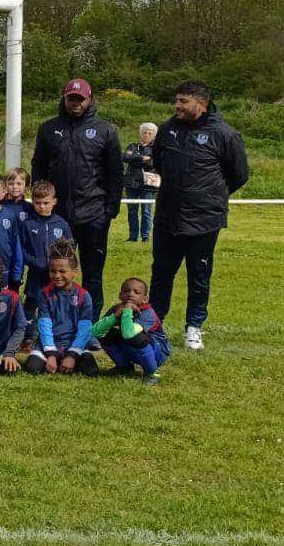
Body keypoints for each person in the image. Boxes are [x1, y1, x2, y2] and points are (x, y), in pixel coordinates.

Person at [148, 80, 248, 350]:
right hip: (168, 217)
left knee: (199, 274)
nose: (176, 105)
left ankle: (194, 327)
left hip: (204, 220)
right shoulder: (168, 129)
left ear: (200, 105)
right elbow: (159, 163)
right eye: (176, 100)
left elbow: (239, 175)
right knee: (161, 273)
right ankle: (154, 324)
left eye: (183, 101)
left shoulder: (224, 134)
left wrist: (209, 195)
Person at [30, 78, 122, 315]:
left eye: (80, 99)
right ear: (64, 98)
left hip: (93, 215)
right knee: (54, 270)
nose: (76, 103)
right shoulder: (48, 129)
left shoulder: (105, 130)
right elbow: (38, 166)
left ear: (90, 99)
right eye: (71, 98)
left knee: (92, 273)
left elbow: (115, 172)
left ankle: (89, 325)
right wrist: (43, 204)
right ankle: (53, 320)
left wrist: (109, 210)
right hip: (58, 216)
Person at [27, 242, 97, 377]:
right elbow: (44, 325)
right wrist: (51, 354)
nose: (57, 275)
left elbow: (85, 329)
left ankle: (68, 360)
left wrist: (72, 355)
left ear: (74, 273)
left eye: (62, 271)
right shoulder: (44, 294)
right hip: (51, 342)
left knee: (91, 371)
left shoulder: (84, 296)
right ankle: (56, 360)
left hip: (73, 342)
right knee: (32, 367)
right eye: (52, 271)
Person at [93, 276, 170, 384]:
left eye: (136, 292)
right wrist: (114, 317)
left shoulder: (148, 313)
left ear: (145, 299)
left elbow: (129, 334)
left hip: (156, 352)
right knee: (106, 334)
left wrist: (128, 310)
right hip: (131, 347)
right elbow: (96, 331)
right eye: (126, 291)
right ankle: (124, 367)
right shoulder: (117, 309)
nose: (130, 294)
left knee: (137, 337)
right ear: (120, 295)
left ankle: (150, 373)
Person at [18, 181, 72, 317]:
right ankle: (29, 335)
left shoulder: (61, 224)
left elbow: (70, 247)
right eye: (38, 203)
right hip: (36, 272)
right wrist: (34, 262)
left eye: (46, 203)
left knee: (56, 303)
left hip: (57, 273)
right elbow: (21, 249)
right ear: (33, 202)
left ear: (54, 201)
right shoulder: (28, 224)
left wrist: (62, 264)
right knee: (31, 302)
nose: (42, 207)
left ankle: (56, 331)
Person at [122, 121, 159, 243]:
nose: (147, 135)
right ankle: (132, 236)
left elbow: (154, 163)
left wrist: (136, 159)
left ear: (154, 135)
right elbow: (125, 157)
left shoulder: (157, 149)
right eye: (144, 132)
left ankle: (145, 236)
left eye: (150, 133)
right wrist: (142, 158)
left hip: (148, 184)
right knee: (132, 211)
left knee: (146, 211)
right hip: (131, 183)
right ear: (140, 134)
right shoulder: (132, 146)